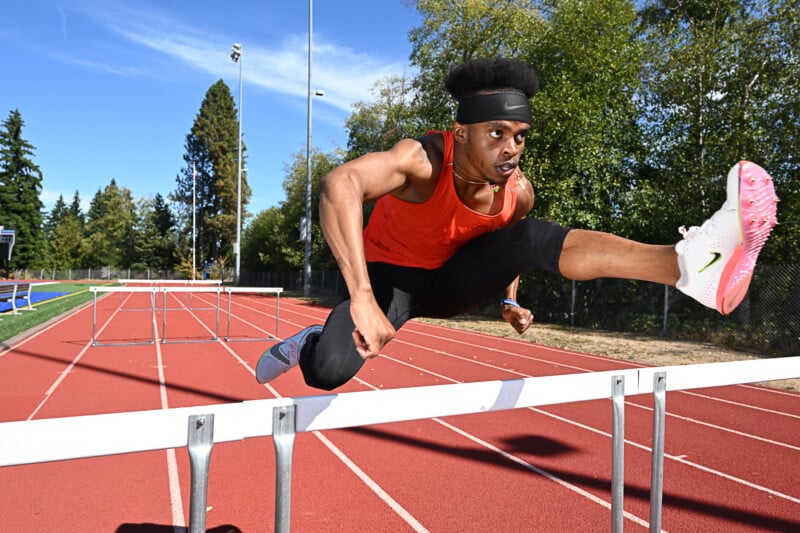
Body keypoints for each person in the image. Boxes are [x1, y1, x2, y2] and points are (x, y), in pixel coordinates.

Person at [256, 58, 778, 391]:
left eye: (521, 135)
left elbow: (506, 249)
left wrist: (507, 298)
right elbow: (337, 186)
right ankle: (310, 342)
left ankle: (689, 268)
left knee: (531, 236)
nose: (511, 148)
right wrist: (363, 299)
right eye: (497, 133)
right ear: (460, 133)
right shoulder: (420, 161)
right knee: (328, 373)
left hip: (453, 282)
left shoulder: (517, 192)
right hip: (389, 280)